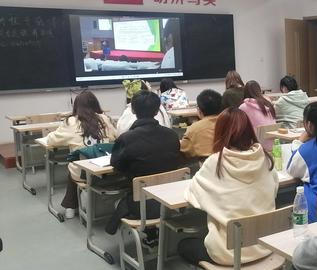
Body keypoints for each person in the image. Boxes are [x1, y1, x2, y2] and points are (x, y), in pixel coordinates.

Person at [178, 108, 278, 270]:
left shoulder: (215, 163)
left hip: (229, 254)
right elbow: (273, 190)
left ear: (220, 132)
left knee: (184, 246)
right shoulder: (265, 158)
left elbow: (193, 196)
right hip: (266, 245)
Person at [107, 90, 182, 238]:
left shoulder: (126, 139)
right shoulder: (172, 135)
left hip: (141, 203)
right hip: (171, 200)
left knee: (120, 199)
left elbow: (117, 165)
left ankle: (149, 234)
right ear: (157, 110)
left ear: (133, 110)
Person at [45, 90, 117, 219]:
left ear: (76, 106)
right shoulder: (104, 119)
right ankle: (71, 206)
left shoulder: (71, 122)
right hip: (106, 170)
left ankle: (70, 208)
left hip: (86, 173)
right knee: (78, 165)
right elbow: (116, 136)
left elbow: (52, 140)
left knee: (74, 166)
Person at [180, 89, 222, 160]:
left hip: (205, 164)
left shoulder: (194, 128)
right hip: (229, 162)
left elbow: (185, 150)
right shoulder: (230, 123)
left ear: (199, 110)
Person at [238, 80, 277, 151]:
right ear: (259, 90)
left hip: (256, 146)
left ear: (245, 92)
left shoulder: (243, 107)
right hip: (273, 144)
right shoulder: (268, 104)